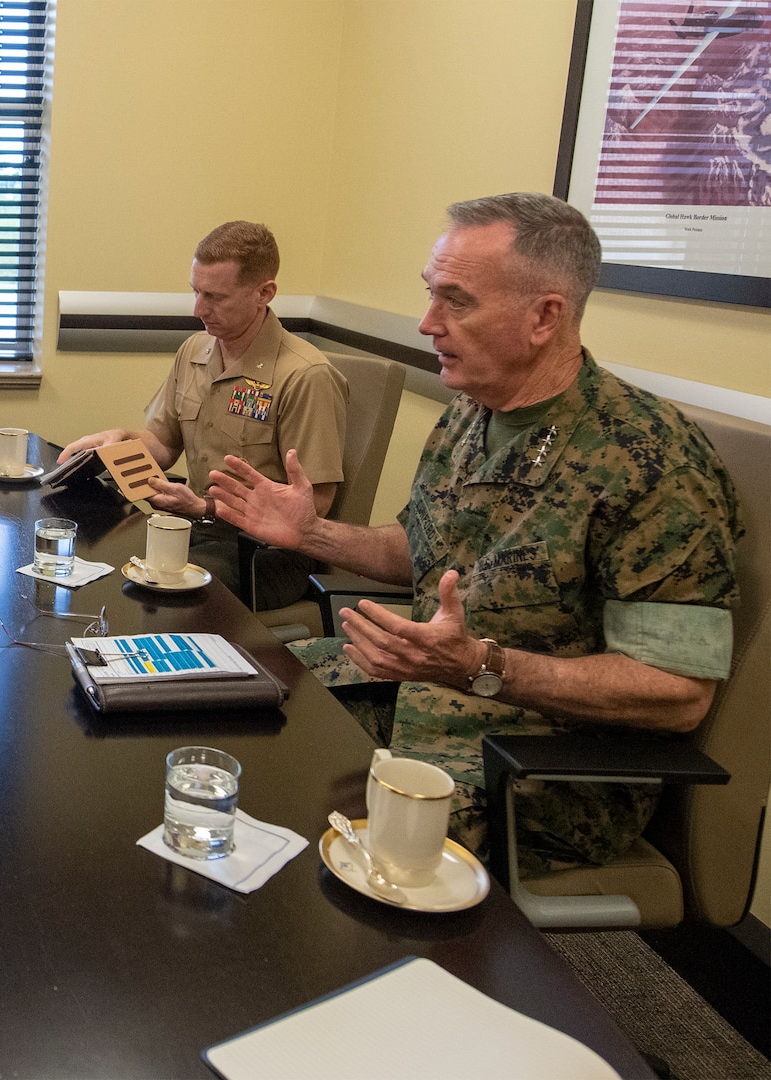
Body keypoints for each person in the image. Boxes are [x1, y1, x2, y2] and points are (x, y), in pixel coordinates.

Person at [208, 192, 740, 871]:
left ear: (545, 315)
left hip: (536, 765)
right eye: (431, 296)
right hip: (418, 695)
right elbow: (418, 550)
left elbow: (677, 695)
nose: (428, 324)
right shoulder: (471, 412)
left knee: (284, 834)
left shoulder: (654, 459)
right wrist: (313, 534)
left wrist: (483, 666)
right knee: (224, 704)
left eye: (456, 302)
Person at [57, 221, 348, 606]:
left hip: (266, 552)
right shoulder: (195, 350)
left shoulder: (305, 376)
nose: (198, 309)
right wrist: (118, 441)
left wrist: (207, 508)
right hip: (192, 528)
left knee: (157, 585)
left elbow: (315, 506)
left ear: (265, 292)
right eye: (196, 291)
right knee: (97, 548)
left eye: (215, 296)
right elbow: (162, 445)